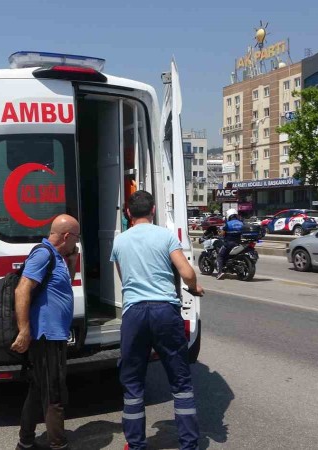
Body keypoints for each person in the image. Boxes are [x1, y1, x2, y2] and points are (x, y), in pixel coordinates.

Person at [110, 190, 204, 450]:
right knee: (180, 381)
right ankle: (189, 445)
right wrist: (194, 288)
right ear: (153, 210)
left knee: (133, 383)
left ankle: (136, 445)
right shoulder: (166, 236)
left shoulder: (119, 241)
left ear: (128, 213)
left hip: (134, 313)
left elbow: (123, 278)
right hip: (165, 311)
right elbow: (186, 272)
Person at [11, 214, 80, 450]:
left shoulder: (58, 257)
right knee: (54, 393)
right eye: (76, 237)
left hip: (55, 334)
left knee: (39, 388)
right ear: (67, 236)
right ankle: (58, 444)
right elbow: (22, 289)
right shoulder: (43, 254)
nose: (77, 242)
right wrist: (24, 330)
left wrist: (72, 261)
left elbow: (64, 285)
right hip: (46, 336)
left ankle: (25, 442)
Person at [215, 208, 244, 280]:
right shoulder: (241, 223)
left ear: (229, 215)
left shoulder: (228, 224)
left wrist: (219, 233)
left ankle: (219, 273)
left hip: (229, 244)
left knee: (219, 256)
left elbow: (222, 234)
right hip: (238, 243)